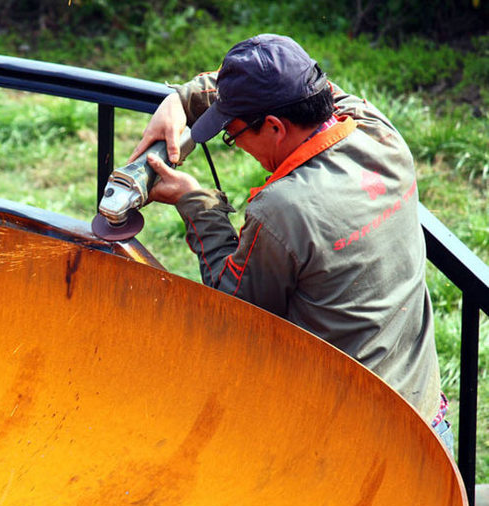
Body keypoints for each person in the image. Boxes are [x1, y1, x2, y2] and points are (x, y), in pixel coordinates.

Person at [130, 34, 452, 452]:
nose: (236, 143)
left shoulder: (283, 209)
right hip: (426, 427)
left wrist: (196, 203)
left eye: (232, 132)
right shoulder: (377, 132)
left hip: (351, 450)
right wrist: (183, 99)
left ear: (276, 127)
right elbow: (319, 87)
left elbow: (235, 307)